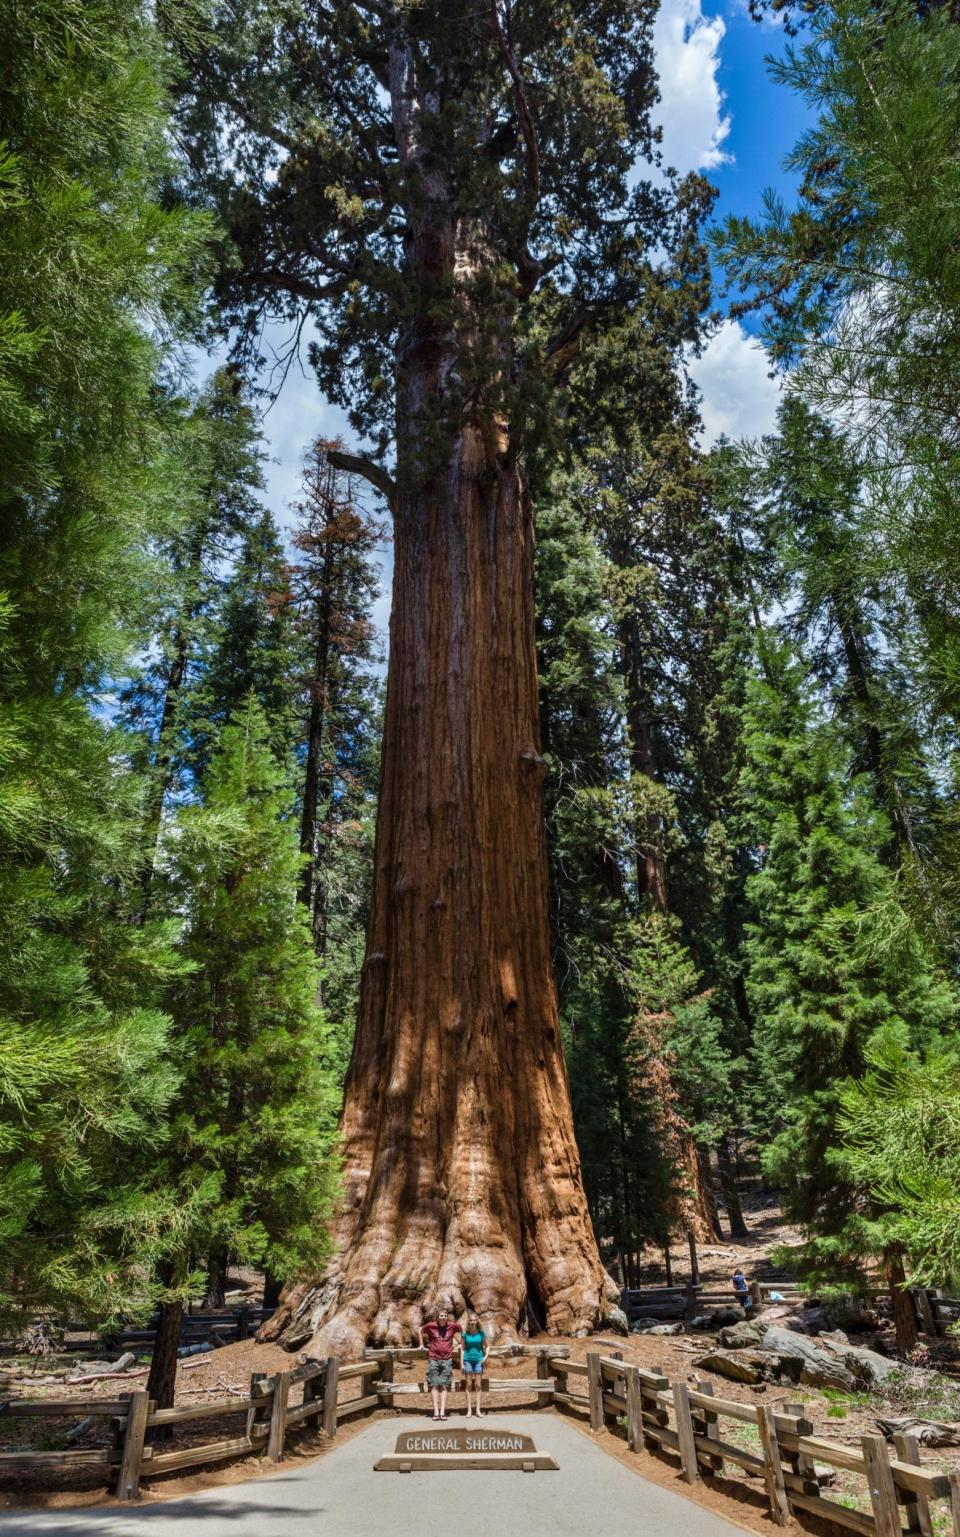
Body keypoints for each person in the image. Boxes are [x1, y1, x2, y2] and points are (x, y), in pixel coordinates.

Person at [418, 1303, 462, 1422]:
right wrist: (421, 1344)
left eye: (444, 1316)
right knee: (433, 1385)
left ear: (447, 1317)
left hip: (447, 1360)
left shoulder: (452, 1326)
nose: (443, 1317)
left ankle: (442, 1412)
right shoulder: (431, 1326)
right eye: (441, 1316)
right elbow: (420, 1330)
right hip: (433, 1359)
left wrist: (462, 1344)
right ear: (438, 1317)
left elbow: (462, 1330)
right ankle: (435, 1412)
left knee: (444, 1385)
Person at [460, 1311, 487, 1418]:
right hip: (467, 1360)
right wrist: (461, 1362)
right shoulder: (465, 1334)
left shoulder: (481, 1334)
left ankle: (478, 1410)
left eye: (474, 1320)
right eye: (471, 1320)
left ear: (477, 1321)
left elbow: (486, 1346)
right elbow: (462, 1348)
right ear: (468, 1322)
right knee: (468, 1385)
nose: (472, 1322)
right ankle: (469, 1410)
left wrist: (485, 1357)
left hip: (478, 1361)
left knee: (478, 1385)